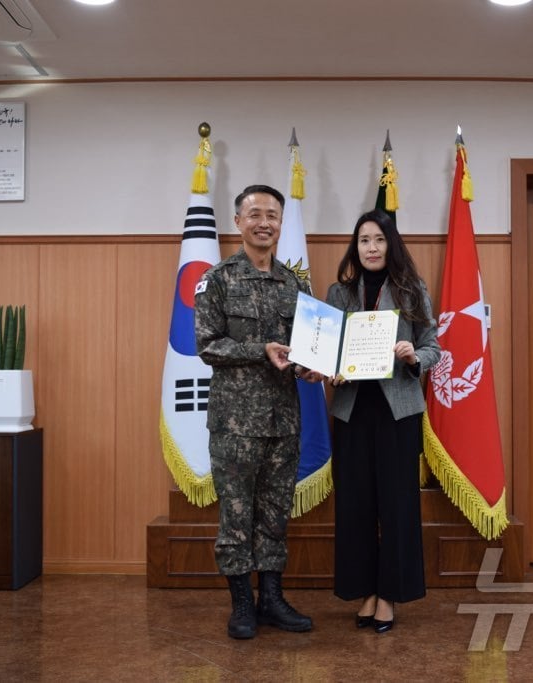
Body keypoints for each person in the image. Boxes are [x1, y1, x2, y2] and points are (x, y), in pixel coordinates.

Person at [194, 184, 322, 640]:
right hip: (234, 424)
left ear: (281, 223)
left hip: (283, 420)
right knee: (235, 515)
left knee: (274, 514)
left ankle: (272, 599)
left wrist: (312, 367)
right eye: (255, 214)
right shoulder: (217, 279)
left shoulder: (294, 283)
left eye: (272, 215)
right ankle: (242, 604)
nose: (264, 222)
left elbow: (308, 347)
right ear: (238, 222)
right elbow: (207, 345)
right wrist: (259, 349)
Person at [327, 208, 441, 633]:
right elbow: (330, 350)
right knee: (355, 505)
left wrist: (414, 356)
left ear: (391, 244)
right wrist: (332, 366)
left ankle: (390, 594)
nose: (371, 248)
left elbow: (433, 346)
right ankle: (365, 591)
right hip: (353, 410)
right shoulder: (338, 294)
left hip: (398, 413)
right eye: (363, 240)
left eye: (378, 239)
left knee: (396, 506)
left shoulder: (412, 289)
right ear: (354, 248)